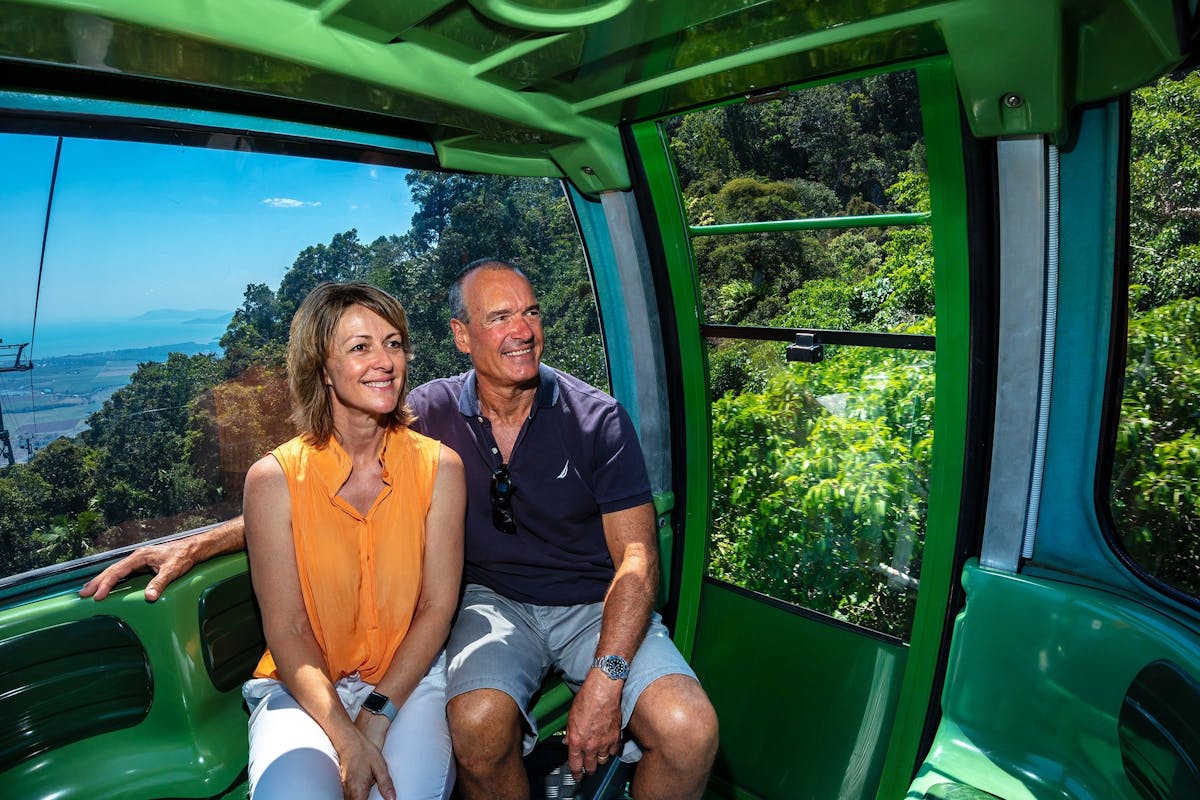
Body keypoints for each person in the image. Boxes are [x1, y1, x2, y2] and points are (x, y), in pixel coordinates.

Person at [82, 259, 718, 800]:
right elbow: (310, 491)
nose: (521, 331)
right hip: (490, 603)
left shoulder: (593, 420)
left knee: (689, 730)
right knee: (476, 721)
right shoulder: (431, 414)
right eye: (498, 318)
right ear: (461, 336)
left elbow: (636, 559)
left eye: (530, 313)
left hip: (590, 605)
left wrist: (607, 679)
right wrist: (201, 540)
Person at [238, 282, 464, 800]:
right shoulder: (274, 480)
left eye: (393, 343)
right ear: (322, 368)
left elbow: (436, 607)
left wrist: (377, 716)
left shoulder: (439, 469)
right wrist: (346, 737)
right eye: (360, 347)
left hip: (406, 684)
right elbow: (289, 626)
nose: (384, 361)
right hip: (303, 689)